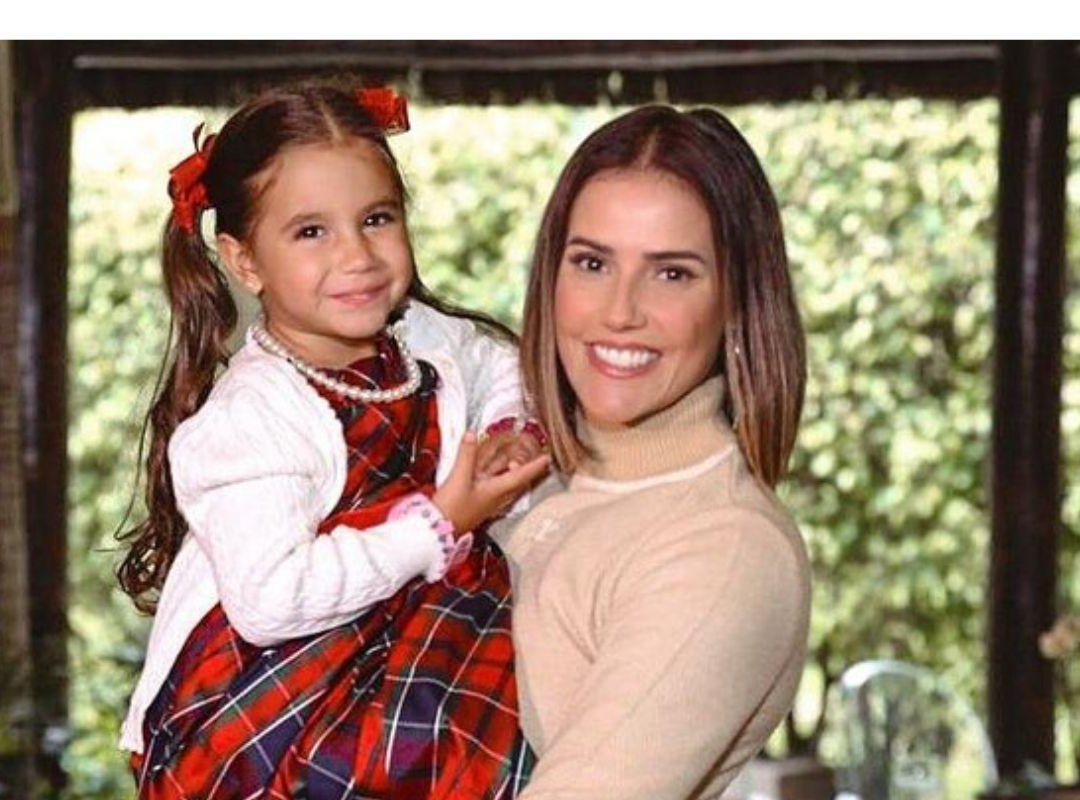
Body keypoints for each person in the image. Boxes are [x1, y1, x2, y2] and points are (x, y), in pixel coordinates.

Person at [116, 84, 549, 799]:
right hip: (280, 699)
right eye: (312, 232)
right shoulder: (253, 415)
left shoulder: (425, 340)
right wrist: (438, 526)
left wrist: (509, 430)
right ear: (244, 261)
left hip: (426, 648)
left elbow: (502, 364)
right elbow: (271, 601)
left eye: (376, 218)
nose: (358, 256)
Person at [495, 105, 812, 799]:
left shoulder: (725, 547)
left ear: (736, 300)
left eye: (671, 274)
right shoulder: (515, 474)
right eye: (592, 263)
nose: (619, 312)